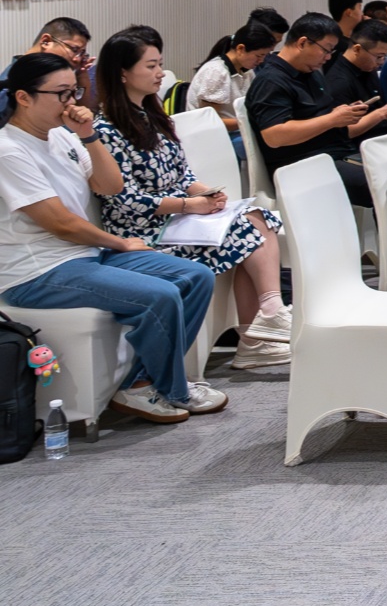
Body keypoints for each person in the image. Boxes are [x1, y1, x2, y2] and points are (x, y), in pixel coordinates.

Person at [0, 52, 224, 423]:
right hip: (37, 271)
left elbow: (110, 185)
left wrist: (88, 136)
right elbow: (60, 223)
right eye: (61, 94)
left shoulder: (63, 136)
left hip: (83, 255)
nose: (71, 102)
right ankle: (171, 389)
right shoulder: (9, 149)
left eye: (74, 92)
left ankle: (140, 385)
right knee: (160, 295)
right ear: (24, 97)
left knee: (196, 276)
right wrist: (120, 243)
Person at [92, 31, 291, 370]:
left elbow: (181, 174)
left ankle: (263, 324)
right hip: (145, 232)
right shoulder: (107, 130)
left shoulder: (153, 117)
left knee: (256, 217)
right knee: (249, 232)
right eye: (151, 66)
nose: (160, 74)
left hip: (177, 220)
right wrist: (188, 205)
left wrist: (204, 193)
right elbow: (125, 200)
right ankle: (258, 333)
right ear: (122, 73)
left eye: (160, 64)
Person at [246, 13, 387, 207]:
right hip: (303, 167)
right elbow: (274, 136)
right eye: (326, 50)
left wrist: (342, 114)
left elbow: (322, 115)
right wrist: (332, 119)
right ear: (302, 43)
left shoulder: (311, 73)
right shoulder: (271, 80)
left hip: (337, 154)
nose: (328, 57)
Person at [322, 19, 387, 145]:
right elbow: (345, 132)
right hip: (363, 147)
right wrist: (382, 113)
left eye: (385, 56)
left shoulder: (367, 69)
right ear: (357, 49)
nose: (382, 62)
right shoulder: (338, 81)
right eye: (379, 56)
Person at [185, 22, 277, 142]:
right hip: (211, 138)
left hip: (235, 132)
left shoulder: (247, 72)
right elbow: (210, 121)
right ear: (240, 49)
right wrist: (249, 122)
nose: (261, 61)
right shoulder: (216, 72)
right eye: (259, 56)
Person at [6, 18, 97, 110]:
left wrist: (81, 74)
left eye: (82, 53)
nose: (77, 59)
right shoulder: (9, 85)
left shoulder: (53, 75)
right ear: (46, 42)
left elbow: (80, 112)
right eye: (74, 50)